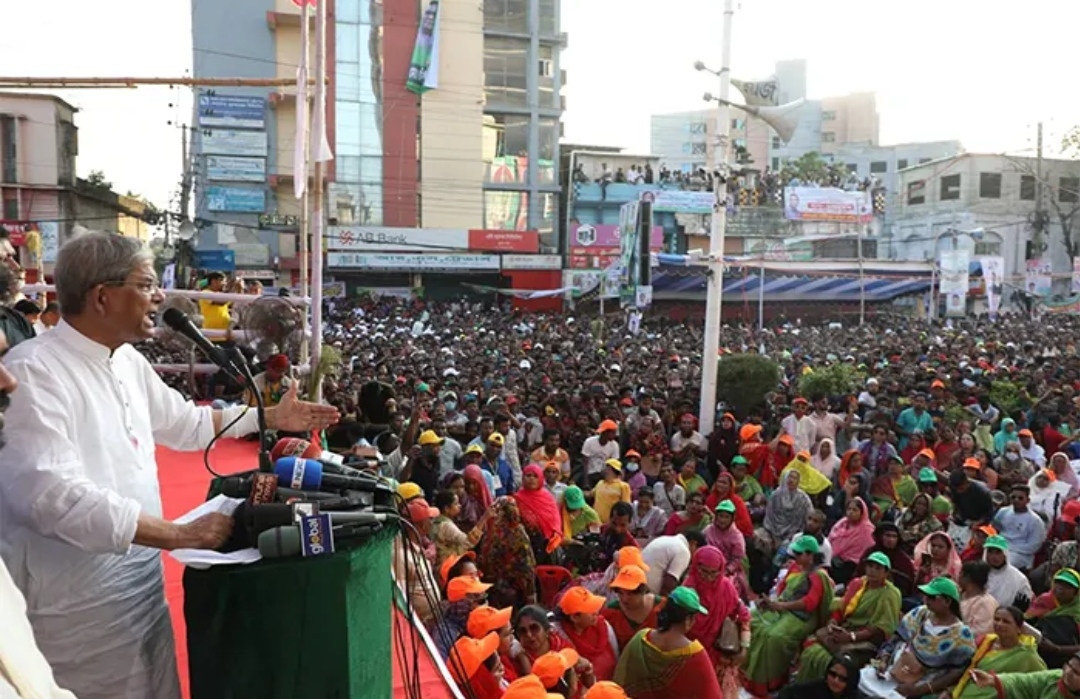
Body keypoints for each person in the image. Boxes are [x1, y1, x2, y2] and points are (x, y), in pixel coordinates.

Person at [0, 232, 338, 699]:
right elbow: (50, 496)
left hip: (140, 588)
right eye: (146, 284)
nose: (159, 296)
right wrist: (177, 534)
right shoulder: (35, 372)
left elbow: (185, 423)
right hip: (74, 611)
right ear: (102, 296)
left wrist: (269, 417)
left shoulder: (127, 362)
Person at [745, 535, 836, 696]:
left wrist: (781, 606)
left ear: (810, 555)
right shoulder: (795, 568)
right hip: (784, 608)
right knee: (753, 621)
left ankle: (772, 681)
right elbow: (783, 590)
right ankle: (749, 675)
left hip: (802, 617)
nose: (796, 556)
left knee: (774, 637)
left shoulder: (818, 575)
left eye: (800, 554)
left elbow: (809, 603)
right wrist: (770, 602)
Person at [862, 577, 975, 699]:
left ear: (947, 602)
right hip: (895, 671)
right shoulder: (920, 613)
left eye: (932, 598)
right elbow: (897, 637)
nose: (926, 600)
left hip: (924, 684)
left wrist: (919, 690)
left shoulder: (961, 634)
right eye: (925, 596)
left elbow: (957, 672)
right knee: (861, 678)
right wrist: (884, 660)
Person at [800, 551, 901, 681]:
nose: (872, 571)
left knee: (828, 660)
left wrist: (851, 637)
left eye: (878, 568)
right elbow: (842, 607)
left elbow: (880, 627)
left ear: (886, 573)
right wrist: (833, 623)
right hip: (845, 629)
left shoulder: (890, 594)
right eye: (870, 566)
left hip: (866, 640)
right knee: (811, 651)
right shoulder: (858, 584)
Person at [613, 586, 723, 699]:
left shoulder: (640, 639)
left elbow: (620, 680)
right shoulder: (695, 654)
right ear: (688, 620)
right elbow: (713, 695)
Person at [951, 606, 1046, 699]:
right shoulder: (985, 641)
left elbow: (1042, 682)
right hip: (968, 692)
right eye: (996, 619)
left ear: (1018, 628)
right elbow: (967, 669)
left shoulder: (1026, 655)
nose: (999, 624)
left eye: (1006, 621)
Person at [777, 654, 864, 699]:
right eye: (833, 674)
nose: (835, 681)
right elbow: (787, 692)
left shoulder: (856, 697)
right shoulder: (817, 686)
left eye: (842, 679)